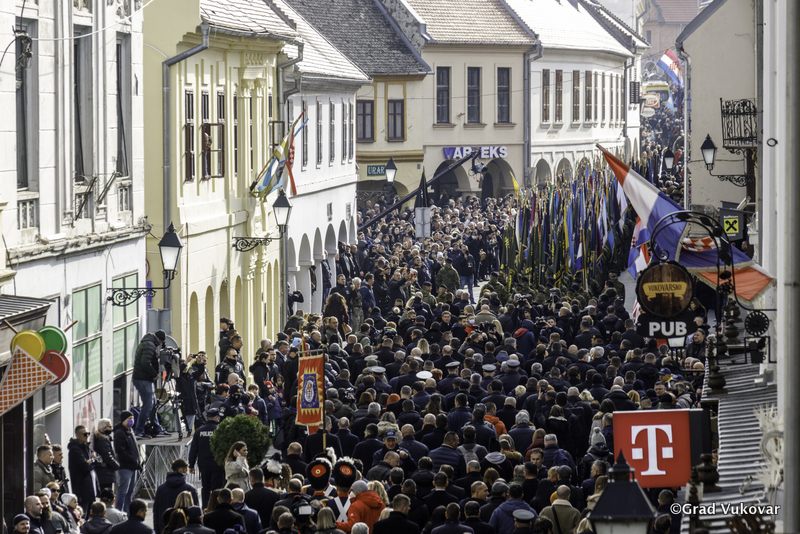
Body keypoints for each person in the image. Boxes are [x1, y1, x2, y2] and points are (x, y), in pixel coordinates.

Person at [132, 329, 168, 438]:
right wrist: (154, 374)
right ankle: (139, 431)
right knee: (148, 406)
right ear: (160, 340)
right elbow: (145, 363)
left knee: (152, 405)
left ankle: (157, 428)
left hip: (143, 379)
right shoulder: (149, 345)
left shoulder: (147, 343)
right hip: (143, 379)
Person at [189, 408, 226, 508]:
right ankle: (216, 507)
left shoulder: (199, 431)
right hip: (217, 464)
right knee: (217, 488)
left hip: (203, 464)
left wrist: (191, 465)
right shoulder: (220, 430)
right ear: (216, 417)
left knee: (205, 487)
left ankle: (205, 508)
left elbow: (194, 449)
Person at [153, 459, 199, 534]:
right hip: (185, 530)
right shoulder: (190, 489)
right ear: (181, 470)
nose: (187, 473)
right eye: (186, 470)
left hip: (164, 528)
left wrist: (157, 530)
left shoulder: (161, 489)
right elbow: (196, 513)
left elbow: (156, 512)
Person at [113, 411, 140, 514]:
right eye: (129, 419)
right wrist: (132, 459)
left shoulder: (130, 430)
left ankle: (127, 512)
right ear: (123, 420)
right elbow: (120, 450)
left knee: (130, 492)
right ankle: (119, 512)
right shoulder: (120, 432)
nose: (131, 420)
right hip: (125, 466)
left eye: (132, 418)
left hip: (133, 466)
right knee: (123, 491)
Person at [68, 425, 98, 514]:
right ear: (77, 435)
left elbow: (98, 460)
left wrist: (92, 461)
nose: (87, 436)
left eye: (88, 433)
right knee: (82, 514)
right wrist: (92, 461)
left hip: (91, 487)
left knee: (89, 513)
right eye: (84, 434)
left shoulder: (86, 447)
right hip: (82, 489)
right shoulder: (75, 450)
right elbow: (85, 466)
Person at [92, 419, 120, 493]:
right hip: (105, 472)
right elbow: (107, 456)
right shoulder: (102, 440)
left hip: (104, 472)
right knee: (106, 493)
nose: (111, 429)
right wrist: (116, 466)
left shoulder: (102, 438)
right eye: (109, 427)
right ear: (104, 428)